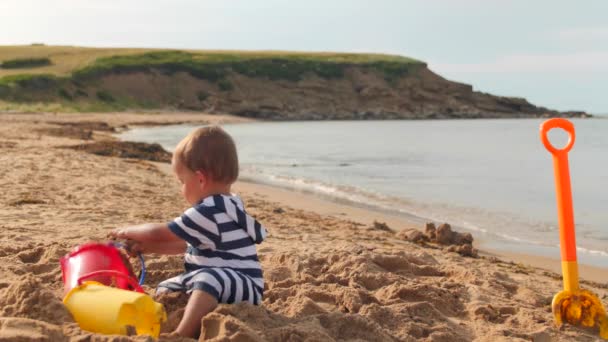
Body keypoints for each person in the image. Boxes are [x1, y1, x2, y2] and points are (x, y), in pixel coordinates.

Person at [109, 126, 267, 338]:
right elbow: (185, 245)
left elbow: (162, 233)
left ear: (200, 179)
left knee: (208, 279)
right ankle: (190, 311)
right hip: (218, 279)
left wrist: (128, 230)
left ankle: (182, 332)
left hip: (245, 285)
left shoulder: (210, 211)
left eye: (182, 181)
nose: (182, 188)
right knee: (166, 288)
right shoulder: (227, 203)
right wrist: (146, 247)